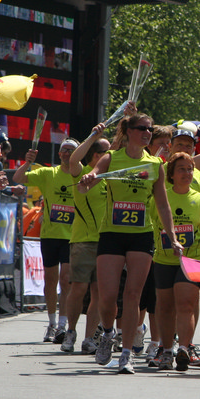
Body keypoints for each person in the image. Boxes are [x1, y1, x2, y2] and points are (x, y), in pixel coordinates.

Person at [78, 113, 182, 374]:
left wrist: (172, 236)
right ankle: (108, 333)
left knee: (133, 295)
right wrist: (89, 178)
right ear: (129, 131)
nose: (147, 133)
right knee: (107, 297)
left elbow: (163, 204)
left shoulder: (155, 164)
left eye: (150, 129)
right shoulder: (111, 158)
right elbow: (88, 181)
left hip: (141, 235)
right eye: (142, 128)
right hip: (112, 234)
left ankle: (126, 354)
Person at [151, 152, 200, 371]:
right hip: (164, 260)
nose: (187, 173)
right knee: (165, 307)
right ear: (171, 174)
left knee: (186, 305)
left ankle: (184, 348)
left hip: (191, 261)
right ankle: (166, 351)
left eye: (190, 169)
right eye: (181, 169)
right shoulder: (160, 198)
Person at [13, 138, 80, 343]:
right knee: (51, 280)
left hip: (73, 236)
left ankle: (62, 325)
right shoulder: (48, 173)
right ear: (59, 154)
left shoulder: (82, 173)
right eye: (64, 150)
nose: (67, 153)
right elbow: (18, 177)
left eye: (72, 150)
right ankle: (51, 323)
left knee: (66, 280)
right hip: (50, 235)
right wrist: (27, 162)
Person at [60, 124, 111, 354]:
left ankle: (89, 338)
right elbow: (73, 159)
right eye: (106, 152)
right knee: (79, 288)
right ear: (96, 155)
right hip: (82, 241)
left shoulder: (109, 177)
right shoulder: (83, 174)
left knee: (99, 292)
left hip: (107, 242)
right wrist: (93, 136)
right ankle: (70, 331)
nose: (110, 156)